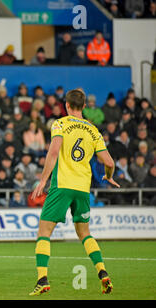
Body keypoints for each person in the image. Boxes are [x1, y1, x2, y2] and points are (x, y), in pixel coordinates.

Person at [29, 88, 119, 296]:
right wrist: (109, 175)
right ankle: (103, 272)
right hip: (82, 188)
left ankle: (42, 279)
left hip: (62, 185)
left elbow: (53, 151)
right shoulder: (93, 130)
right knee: (84, 233)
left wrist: (43, 180)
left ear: (67, 106)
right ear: (84, 106)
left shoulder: (60, 123)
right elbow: (109, 162)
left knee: (44, 232)